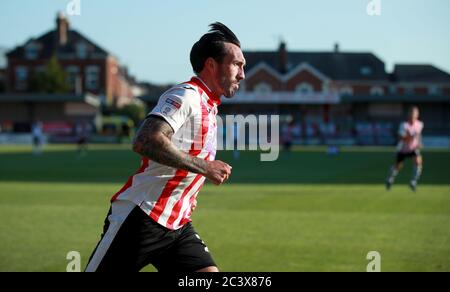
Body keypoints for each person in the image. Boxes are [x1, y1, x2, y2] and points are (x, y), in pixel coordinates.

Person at [85, 22, 246, 272]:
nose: (242, 74)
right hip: (141, 218)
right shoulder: (187, 96)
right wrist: (205, 167)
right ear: (211, 65)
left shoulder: (209, 106)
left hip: (177, 224)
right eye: (236, 64)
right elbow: (146, 140)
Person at [385, 106, 424, 192]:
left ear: (417, 115)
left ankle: (413, 182)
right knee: (398, 166)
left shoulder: (420, 124)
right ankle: (389, 179)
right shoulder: (404, 125)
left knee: (418, 162)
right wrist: (410, 137)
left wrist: (419, 142)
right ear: (408, 114)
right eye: (411, 113)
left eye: (414, 113)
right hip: (403, 149)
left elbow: (419, 136)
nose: (412, 115)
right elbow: (401, 138)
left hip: (413, 148)